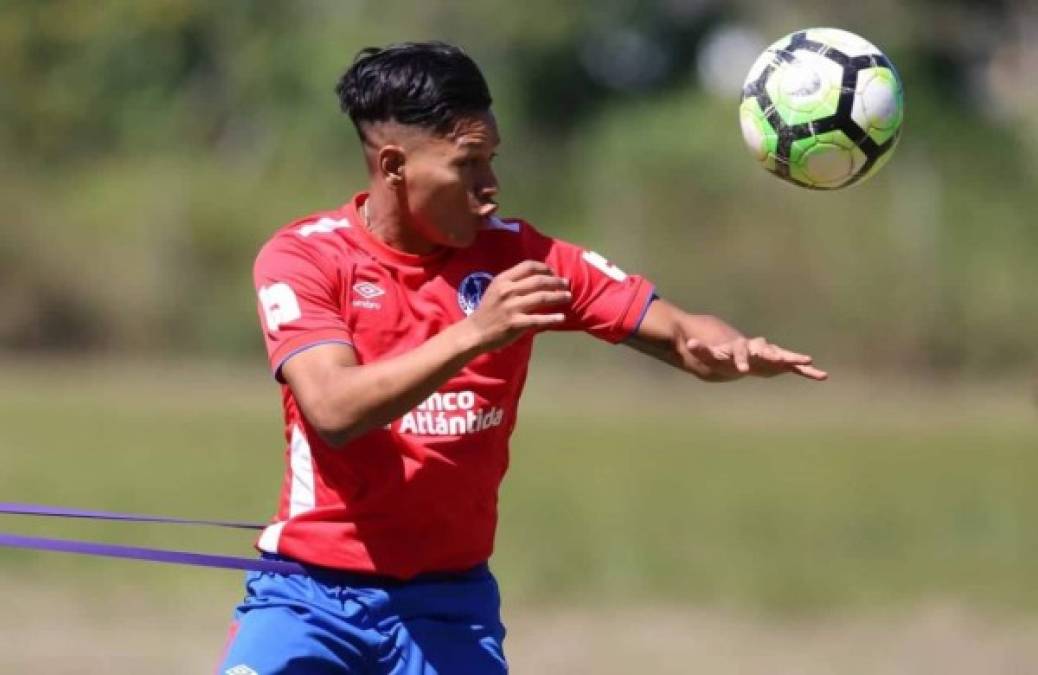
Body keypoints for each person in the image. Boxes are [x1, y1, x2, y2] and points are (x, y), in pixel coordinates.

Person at [217, 41, 827, 675]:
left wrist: (729, 351)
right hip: (309, 596)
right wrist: (475, 333)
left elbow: (680, 333)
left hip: (449, 606)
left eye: (493, 160)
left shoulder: (518, 257)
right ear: (395, 165)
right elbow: (334, 409)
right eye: (468, 164)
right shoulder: (305, 259)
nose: (490, 188)